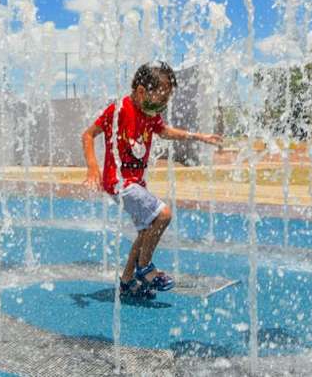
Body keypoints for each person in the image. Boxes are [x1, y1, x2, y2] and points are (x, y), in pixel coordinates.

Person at [81, 61, 223, 298]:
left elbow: (164, 131)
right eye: (160, 98)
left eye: (166, 100)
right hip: (119, 182)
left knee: (145, 231)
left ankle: (127, 281)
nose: (162, 105)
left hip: (135, 183)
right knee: (163, 214)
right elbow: (88, 134)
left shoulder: (150, 113)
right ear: (140, 92)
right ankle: (145, 268)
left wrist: (197, 136)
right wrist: (93, 167)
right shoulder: (120, 109)